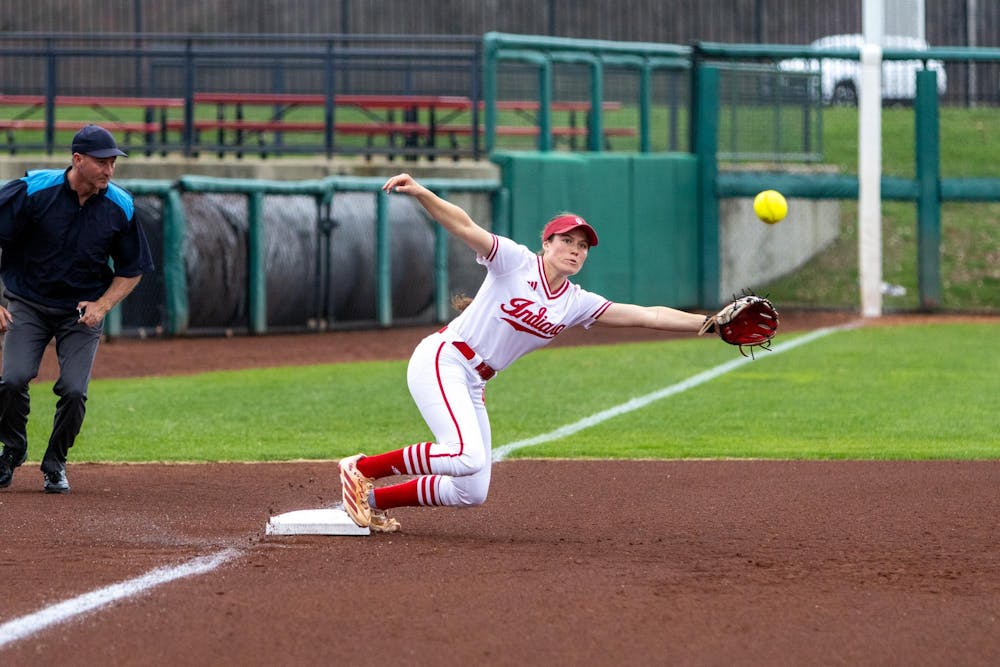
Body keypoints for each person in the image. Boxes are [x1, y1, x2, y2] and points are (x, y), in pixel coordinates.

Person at [338, 172, 714, 532]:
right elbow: (464, 225)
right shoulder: (515, 261)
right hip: (445, 359)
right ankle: (362, 469)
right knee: (465, 455)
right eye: (567, 240)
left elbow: (648, 315)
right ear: (546, 243)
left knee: (471, 491)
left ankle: (370, 500)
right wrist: (423, 193)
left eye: (582, 246)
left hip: (475, 381)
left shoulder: (575, 302)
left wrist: (711, 324)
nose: (575, 250)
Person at [0, 124, 154, 493]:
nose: (109, 170)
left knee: (73, 391)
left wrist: (103, 305)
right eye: (102, 162)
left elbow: (133, 268)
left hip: (80, 313)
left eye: (113, 162)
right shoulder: (33, 190)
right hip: (28, 302)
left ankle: (55, 464)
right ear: (77, 159)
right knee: (13, 379)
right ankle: (12, 450)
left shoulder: (121, 205)